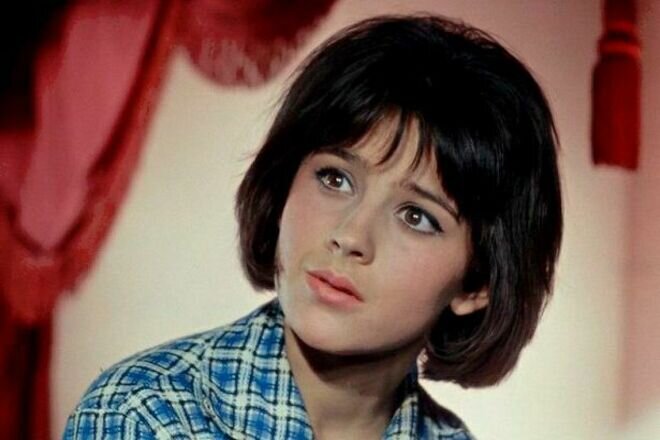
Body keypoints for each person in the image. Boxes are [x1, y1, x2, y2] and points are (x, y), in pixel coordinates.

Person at [63, 14, 562, 439]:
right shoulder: (145, 414)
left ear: (477, 285)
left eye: (416, 217)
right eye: (335, 179)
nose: (350, 236)